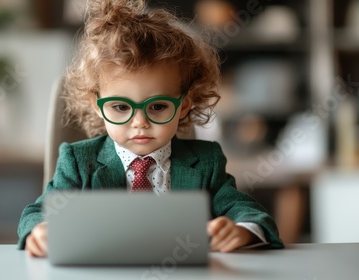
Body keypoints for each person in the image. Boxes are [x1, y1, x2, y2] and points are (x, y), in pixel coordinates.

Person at [17, 0, 284, 257]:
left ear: (183, 106)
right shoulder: (78, 162)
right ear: (97, 105)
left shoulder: (205, 162)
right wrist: (40, 230)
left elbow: (244, 209)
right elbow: (37, 212)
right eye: (121, 107)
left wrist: (242, 230)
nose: (139, 122)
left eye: (157, 107)